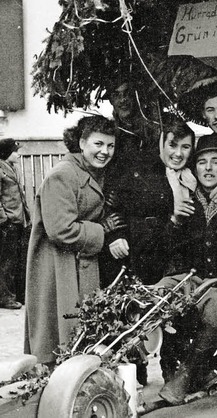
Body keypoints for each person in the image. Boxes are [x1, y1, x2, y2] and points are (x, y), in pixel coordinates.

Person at [24, 116, 122, 365]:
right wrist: (101, 229)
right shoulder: (63, 175)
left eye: (110, 146)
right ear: (81, 142)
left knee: (78, 333)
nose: (105, 152)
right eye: (98, 144)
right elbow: (60, 230)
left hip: (79, 263)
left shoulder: (91, 171)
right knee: (60, 335)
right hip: (59, 266)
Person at [157, 134, 217, 404]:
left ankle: (188, 372)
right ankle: (169, 362)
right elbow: (169, 245)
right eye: (202, 162)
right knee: (160, 296)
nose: (208, 168)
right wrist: (175, 221)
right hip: (187, 276)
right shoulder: (186, 197)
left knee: (215, 307)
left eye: (215, 162)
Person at [105, 115, 197, 285]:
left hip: (176, 263)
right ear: (161, 143)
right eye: (172, 145)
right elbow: (111, 204)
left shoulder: (191, 176)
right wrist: (115, 236)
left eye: (185, 147)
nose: (178, 154)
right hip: (139, 255)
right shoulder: (140, 168)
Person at [0, 138, 29, 309]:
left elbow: (20, 195)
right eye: (15, 151)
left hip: (19, 220)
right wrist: (4, 219)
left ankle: (18, 294)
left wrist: (26, 216)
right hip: (8, 223)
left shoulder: (13, 168)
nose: (18, 154)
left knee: (18, 260)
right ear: (6, 153)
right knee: (7, 262)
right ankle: (6, 297)